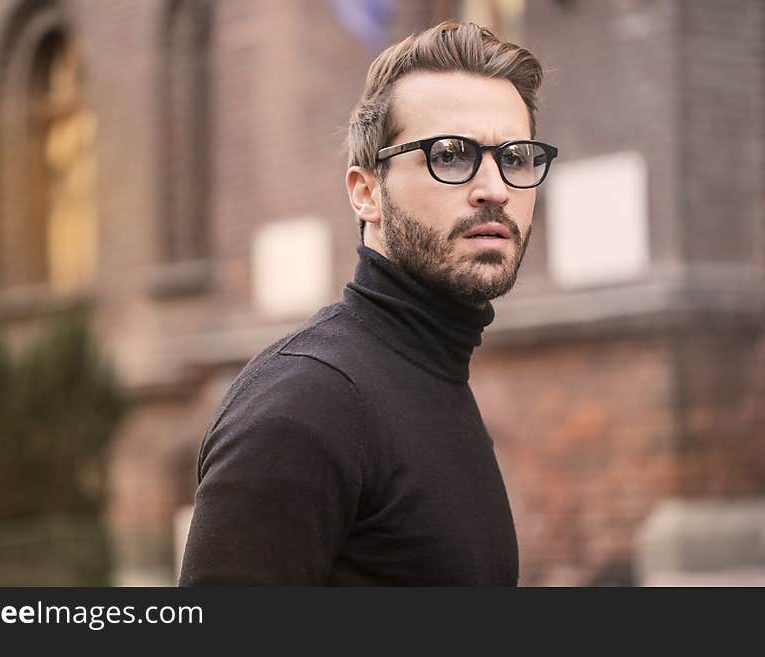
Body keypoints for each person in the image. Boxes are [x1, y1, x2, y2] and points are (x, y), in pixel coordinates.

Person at [179, 20, 558, 586]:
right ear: (366, 192)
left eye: (517, 157)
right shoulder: (308, 404)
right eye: (451, 155)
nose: (496, 188)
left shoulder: (432, 373)